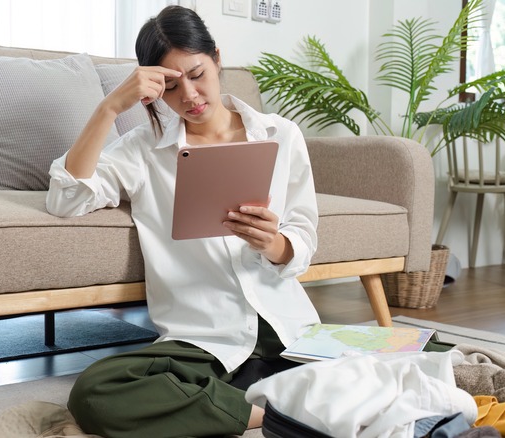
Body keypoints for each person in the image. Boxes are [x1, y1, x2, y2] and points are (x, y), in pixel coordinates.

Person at [46, 5, 319, 437]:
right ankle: (273, 415)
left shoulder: (280, 135)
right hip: (203, 342)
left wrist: (274, 244)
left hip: (285, 328)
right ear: (151, 87)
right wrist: (109, 109)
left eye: (197, 74)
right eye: (171, 86)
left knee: (411, 353)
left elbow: (302, 235)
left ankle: (246, 401)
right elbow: (66, 198)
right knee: (95, 393)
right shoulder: (142, 150)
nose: (189, 96)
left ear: (216, 57)